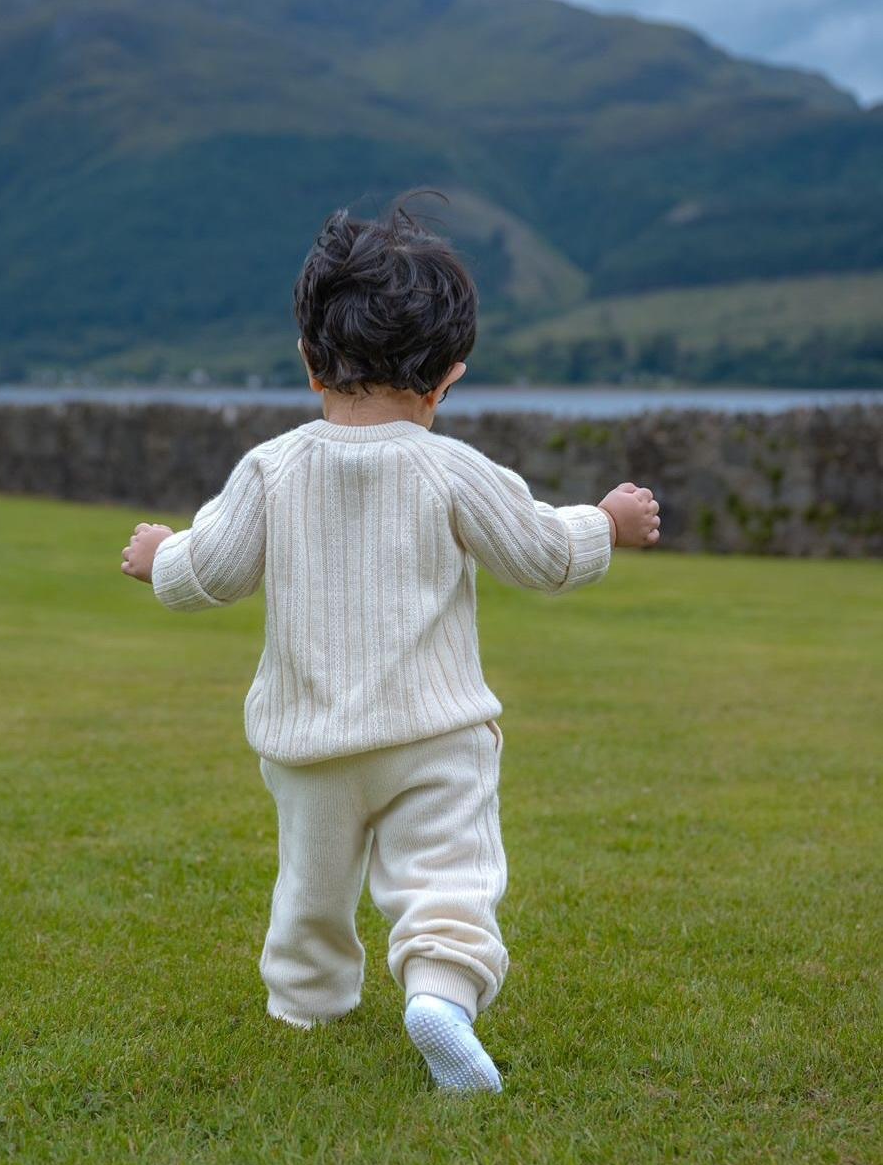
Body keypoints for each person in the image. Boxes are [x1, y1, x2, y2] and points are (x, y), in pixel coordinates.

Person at [120, 192, 661, 1094]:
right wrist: (604, 522)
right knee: (449, 871)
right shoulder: (452, 469)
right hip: (434, 736)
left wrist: (158, 558)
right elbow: (540, 554)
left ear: (308, 363)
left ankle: (305, 1006)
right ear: (450, 375)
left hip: (310, 745)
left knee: (311, 888)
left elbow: (210, 570)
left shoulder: (272, 468)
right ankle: (441, 993)